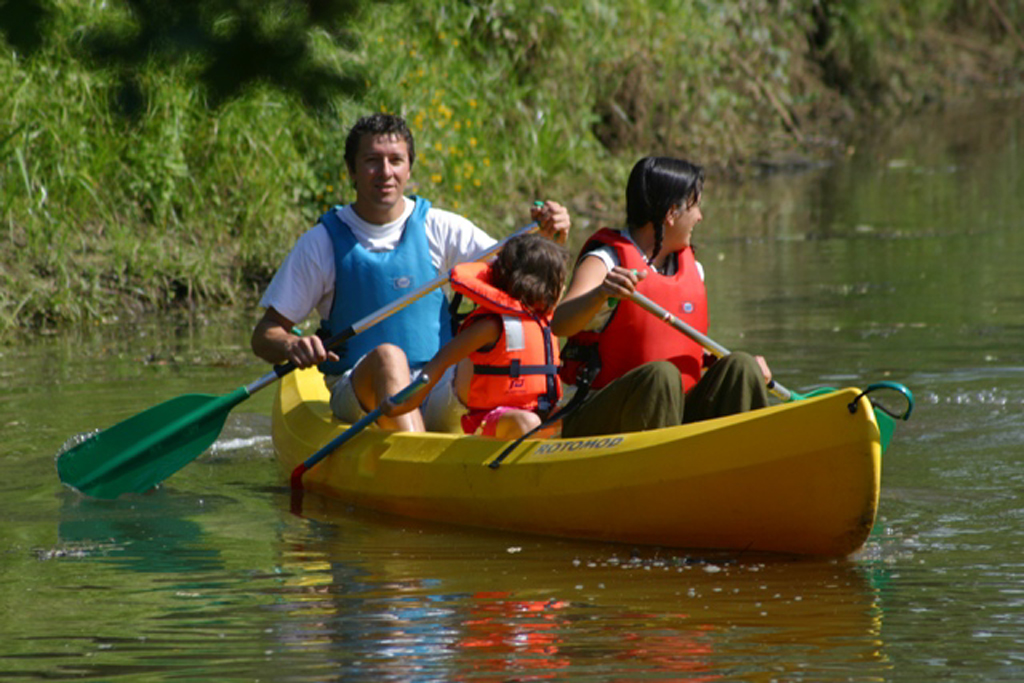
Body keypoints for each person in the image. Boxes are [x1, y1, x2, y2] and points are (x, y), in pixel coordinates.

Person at [251, 113, 570, 432]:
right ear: (352, 170)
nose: (385, 172)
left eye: (396, 160)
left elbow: (526, 281)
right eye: (372, 161)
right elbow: (265, 334)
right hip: (360, 390)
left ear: (409, 168)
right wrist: (290, 345)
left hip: (438, 385)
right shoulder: (320, 243)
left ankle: (520, 430)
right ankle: (415, 454)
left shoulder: (441, 227)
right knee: (390, 358)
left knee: (486, 344)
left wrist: (550, 237)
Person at [550, 156, 771, 438]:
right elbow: (560, 323)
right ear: (671, 213)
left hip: (671, 416)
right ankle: (658, 471)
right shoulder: (606, 259)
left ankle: (750, 462)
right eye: (696, 206)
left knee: (741, 366)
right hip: (597, 417)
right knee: (661, 376)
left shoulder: (694, 269)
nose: (700, 217)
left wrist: (730, 365)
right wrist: (600, 293)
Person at [379, 233, 569, 439]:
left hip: (534, 412)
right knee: (528, 422)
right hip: (484, 418)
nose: (564, 289)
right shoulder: (491, 326)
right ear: (538, 285)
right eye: (559, 282)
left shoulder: (546, 324)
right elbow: (441, 361)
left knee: (571, 416)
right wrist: (407, 403)